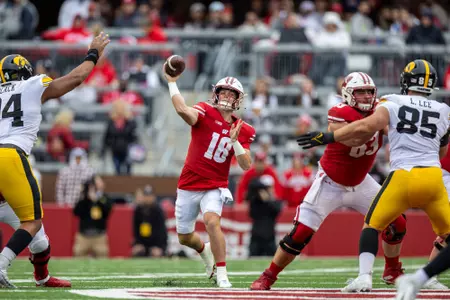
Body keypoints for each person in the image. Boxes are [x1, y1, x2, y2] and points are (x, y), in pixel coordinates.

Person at [297, 60, 450, 293]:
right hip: (433, 178)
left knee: (372, 225)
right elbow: (442, 151)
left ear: (405, 81)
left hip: (403, 176)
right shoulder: (443, 110)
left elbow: (366, 126)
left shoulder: (393, 101)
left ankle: (364, 277)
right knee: (446, 234)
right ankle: (426, 275)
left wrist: (328, 137)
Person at [251, 72, 407, 291]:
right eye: (359, 92)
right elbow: (353, 136)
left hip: (361, 182)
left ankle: (392, 270)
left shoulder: (380, 110)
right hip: (331, 182)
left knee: (397, 223)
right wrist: (378, 123)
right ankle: (268, 276)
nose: (364, 97)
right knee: (300, 234)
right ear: (347, 94)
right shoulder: (339, 110)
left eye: (368, 92)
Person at [0, 32, 110, 288]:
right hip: (10, 155)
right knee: (33, 221)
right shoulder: (33, 84)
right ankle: (2, 264)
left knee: (38, 237)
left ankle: (43, 278)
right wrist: (93, 54)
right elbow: (76, 78)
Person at [163, 67, 255, 288]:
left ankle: (222, 273)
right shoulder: (204, 110)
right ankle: (205, 252)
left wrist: (235, 141)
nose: (226, 96)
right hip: (189, 183)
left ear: (238, 99)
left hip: (215, 185)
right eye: (223, 92)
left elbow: (246, 165)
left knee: (212, 222)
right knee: (184, 237)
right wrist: (172, 82)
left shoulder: (243, 129)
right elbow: (183, 111)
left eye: (231, 94)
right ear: (216, 93)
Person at [73, 175, 112, 257]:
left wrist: (97, 200)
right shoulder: (84, 198)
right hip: (83, 236)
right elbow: (76, 212)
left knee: (102, 257)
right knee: (78, 255)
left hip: (99, 236)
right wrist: (84, 197)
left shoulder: (104, 197)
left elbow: (107, 212)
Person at [132, 185, 167, 257]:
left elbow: (162, 231)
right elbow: (135, 230)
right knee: (137, 251)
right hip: (143, 243)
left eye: (150, 196)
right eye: (146, 196)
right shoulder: (138, 210)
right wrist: (137, 244)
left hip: (156, 244)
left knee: (156, 254)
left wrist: (159, 247)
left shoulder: (158, 211)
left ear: (154, 197)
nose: (148, 198)